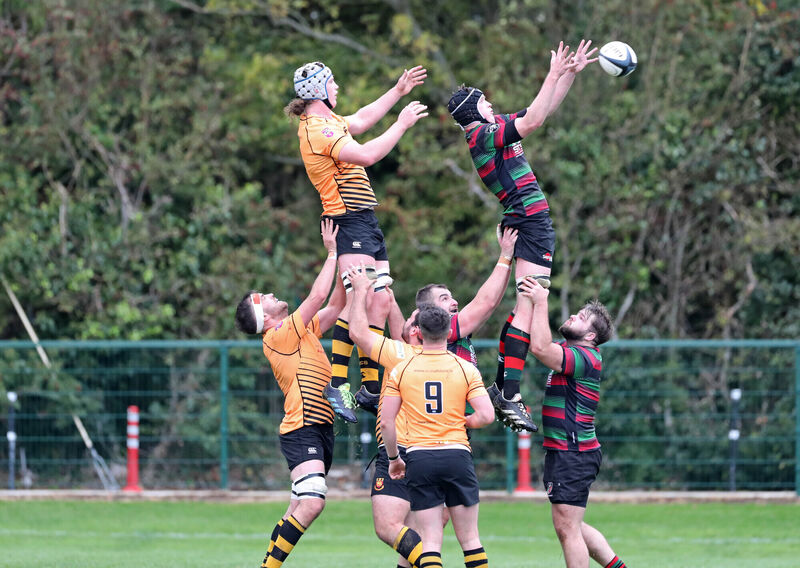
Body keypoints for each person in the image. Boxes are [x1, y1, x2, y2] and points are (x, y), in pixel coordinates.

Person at [446, 41, 598, 431]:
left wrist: (567, 75)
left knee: (530, 302)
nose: (490, 105)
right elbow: (529, 123)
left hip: (528, 221)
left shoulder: (492, 128)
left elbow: (537, 115)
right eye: (484, 101)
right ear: (472, 110)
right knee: (531, 300)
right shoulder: (480, 135)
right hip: (530, 222)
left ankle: (505, 390)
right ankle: (506, 392)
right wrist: (552, 73)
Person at [287, 61, 428, 423]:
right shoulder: (316, 130)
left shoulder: (329, 123)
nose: (339, 87)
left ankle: (368, 386)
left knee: (380, 300)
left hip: (366, 221)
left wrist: (398, 91)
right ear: (319, 90)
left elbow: (362, 119)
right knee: (359, 300)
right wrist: (401, 123)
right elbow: (366, 154)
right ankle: (337, 384)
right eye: (333, 82)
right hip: (348, 222)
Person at [233, 219, 345, 568]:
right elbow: (316, 297)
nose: (269, 295)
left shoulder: (300, 330)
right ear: (263, 318)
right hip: (302, 427)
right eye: (262, 298)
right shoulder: (278, 336)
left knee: (297, 507)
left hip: (320, 427)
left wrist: (352, 263)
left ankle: (268, 561)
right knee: (312, 502)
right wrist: (332, 252)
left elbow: (337, 303)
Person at [519, 277, 626, 568]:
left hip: (573, 453)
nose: (571, 316)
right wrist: (526, 300)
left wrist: (541, 300)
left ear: (591, 336)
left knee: (567, 529)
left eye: (580, 318)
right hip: (568, 452)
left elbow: (540, 348)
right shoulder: (571, 352)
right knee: (572, 525)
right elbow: (534, 342)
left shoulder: (585, 357)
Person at [379, 301, 495, 568]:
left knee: (430, 541)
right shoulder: (466, 368)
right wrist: (464, 421)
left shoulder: (403, 368)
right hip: (457, 455)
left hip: (420, 458)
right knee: (470, 540)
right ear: (448, 331)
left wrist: (395, 459)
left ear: (418, 332)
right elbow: (486, 415)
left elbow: (386, 422)